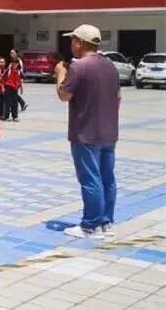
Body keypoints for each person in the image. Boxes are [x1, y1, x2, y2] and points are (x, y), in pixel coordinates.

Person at [56, 25, 120, 240]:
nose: (71, 44)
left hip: (85, 133)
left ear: (80, 43)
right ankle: (106, 222)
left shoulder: (79, 66)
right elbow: (118, 97)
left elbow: (64, 95)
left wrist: (60, 74)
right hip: (109, 132)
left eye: (73, 40)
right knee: (107, 178)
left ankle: (90, 225)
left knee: (90, 179)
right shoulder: (110, 65)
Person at [2, 58, 22, 122]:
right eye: (13, 63)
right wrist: (3, 87)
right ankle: (6, 116)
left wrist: (21, 88)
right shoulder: (8, 70)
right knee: (7, 103)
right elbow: (3, 79)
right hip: (8, 88)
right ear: (11, 63)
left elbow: (20, 80)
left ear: (18, 64)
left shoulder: (19, 71)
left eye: (16, 63)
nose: (14, 64)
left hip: (15, 89)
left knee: (15, 103)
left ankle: (15, 116)